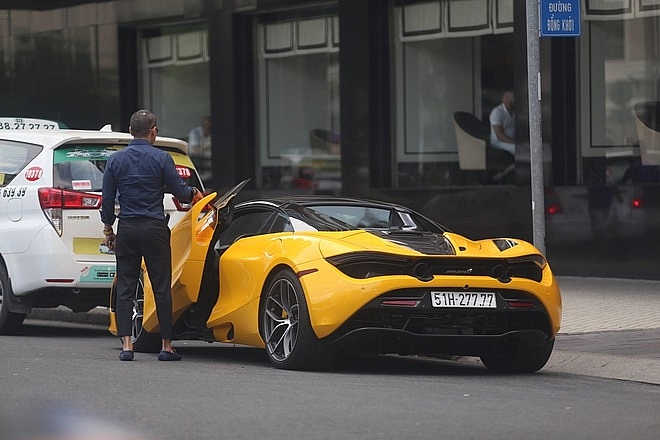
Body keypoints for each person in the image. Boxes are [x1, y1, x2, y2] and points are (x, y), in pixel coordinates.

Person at [101, 110, 204, 362]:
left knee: (126, 285)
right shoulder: (162, 158)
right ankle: (166, 346)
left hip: (127, 228)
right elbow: (180, 192)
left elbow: (106, 202)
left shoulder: (115, 161)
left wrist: (108, 229)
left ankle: (127, 345)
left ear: (130, 130)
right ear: (153, 130)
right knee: (160, 287)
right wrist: (195, 195)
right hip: (154, 229)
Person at [489, 90, 515, 155]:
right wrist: (515, 142)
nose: (509, 101)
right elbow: (499, 136)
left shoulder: (515, 110)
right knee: (518, 149)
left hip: (513, 140)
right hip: (499, 142)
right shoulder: (497, 112)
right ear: (502, 98)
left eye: (512, 98)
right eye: (506, 98)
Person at [188, 115, 212, 182]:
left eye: (209, 128)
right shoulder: (195, 133)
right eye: (206, 127)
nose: (207, 129)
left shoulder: (211, 133)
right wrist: (208, 145)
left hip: (208, 162)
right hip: (195, 159)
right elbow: (197, 150)